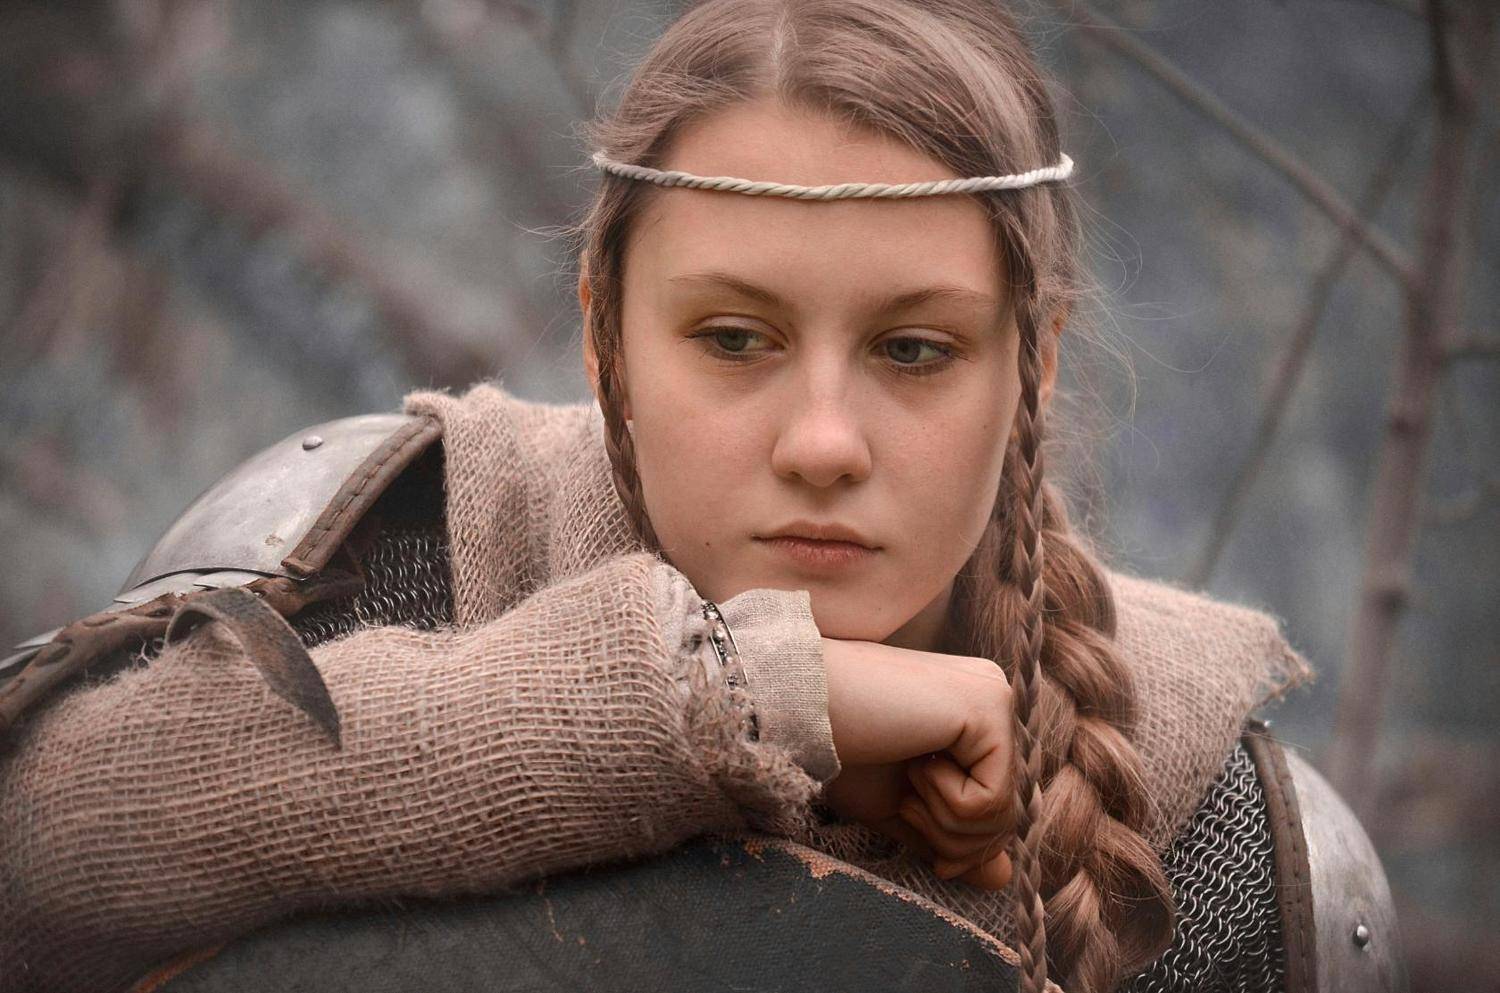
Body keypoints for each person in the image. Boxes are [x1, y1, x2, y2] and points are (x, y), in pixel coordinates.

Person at [0, 2, 1403, 992]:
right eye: (735, 338)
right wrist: (729, 698)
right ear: (606, 334)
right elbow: (34, 856)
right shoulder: (406, 553)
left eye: (916, 351)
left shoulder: (1228, 837)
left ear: (1030, 366)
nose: (823, 442)